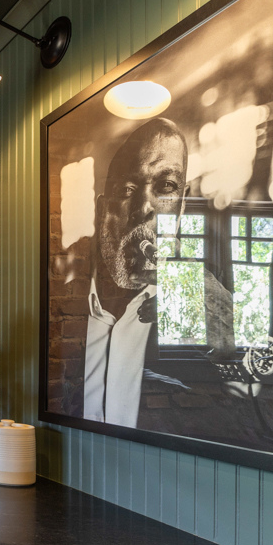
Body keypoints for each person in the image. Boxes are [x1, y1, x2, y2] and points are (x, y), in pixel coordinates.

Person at [79, 117, 188, 427]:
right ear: (102, 212)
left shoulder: (186, 322)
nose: (143, 209)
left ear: (181, 209)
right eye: (127, 189)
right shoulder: (62, 319)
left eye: (166, 186)